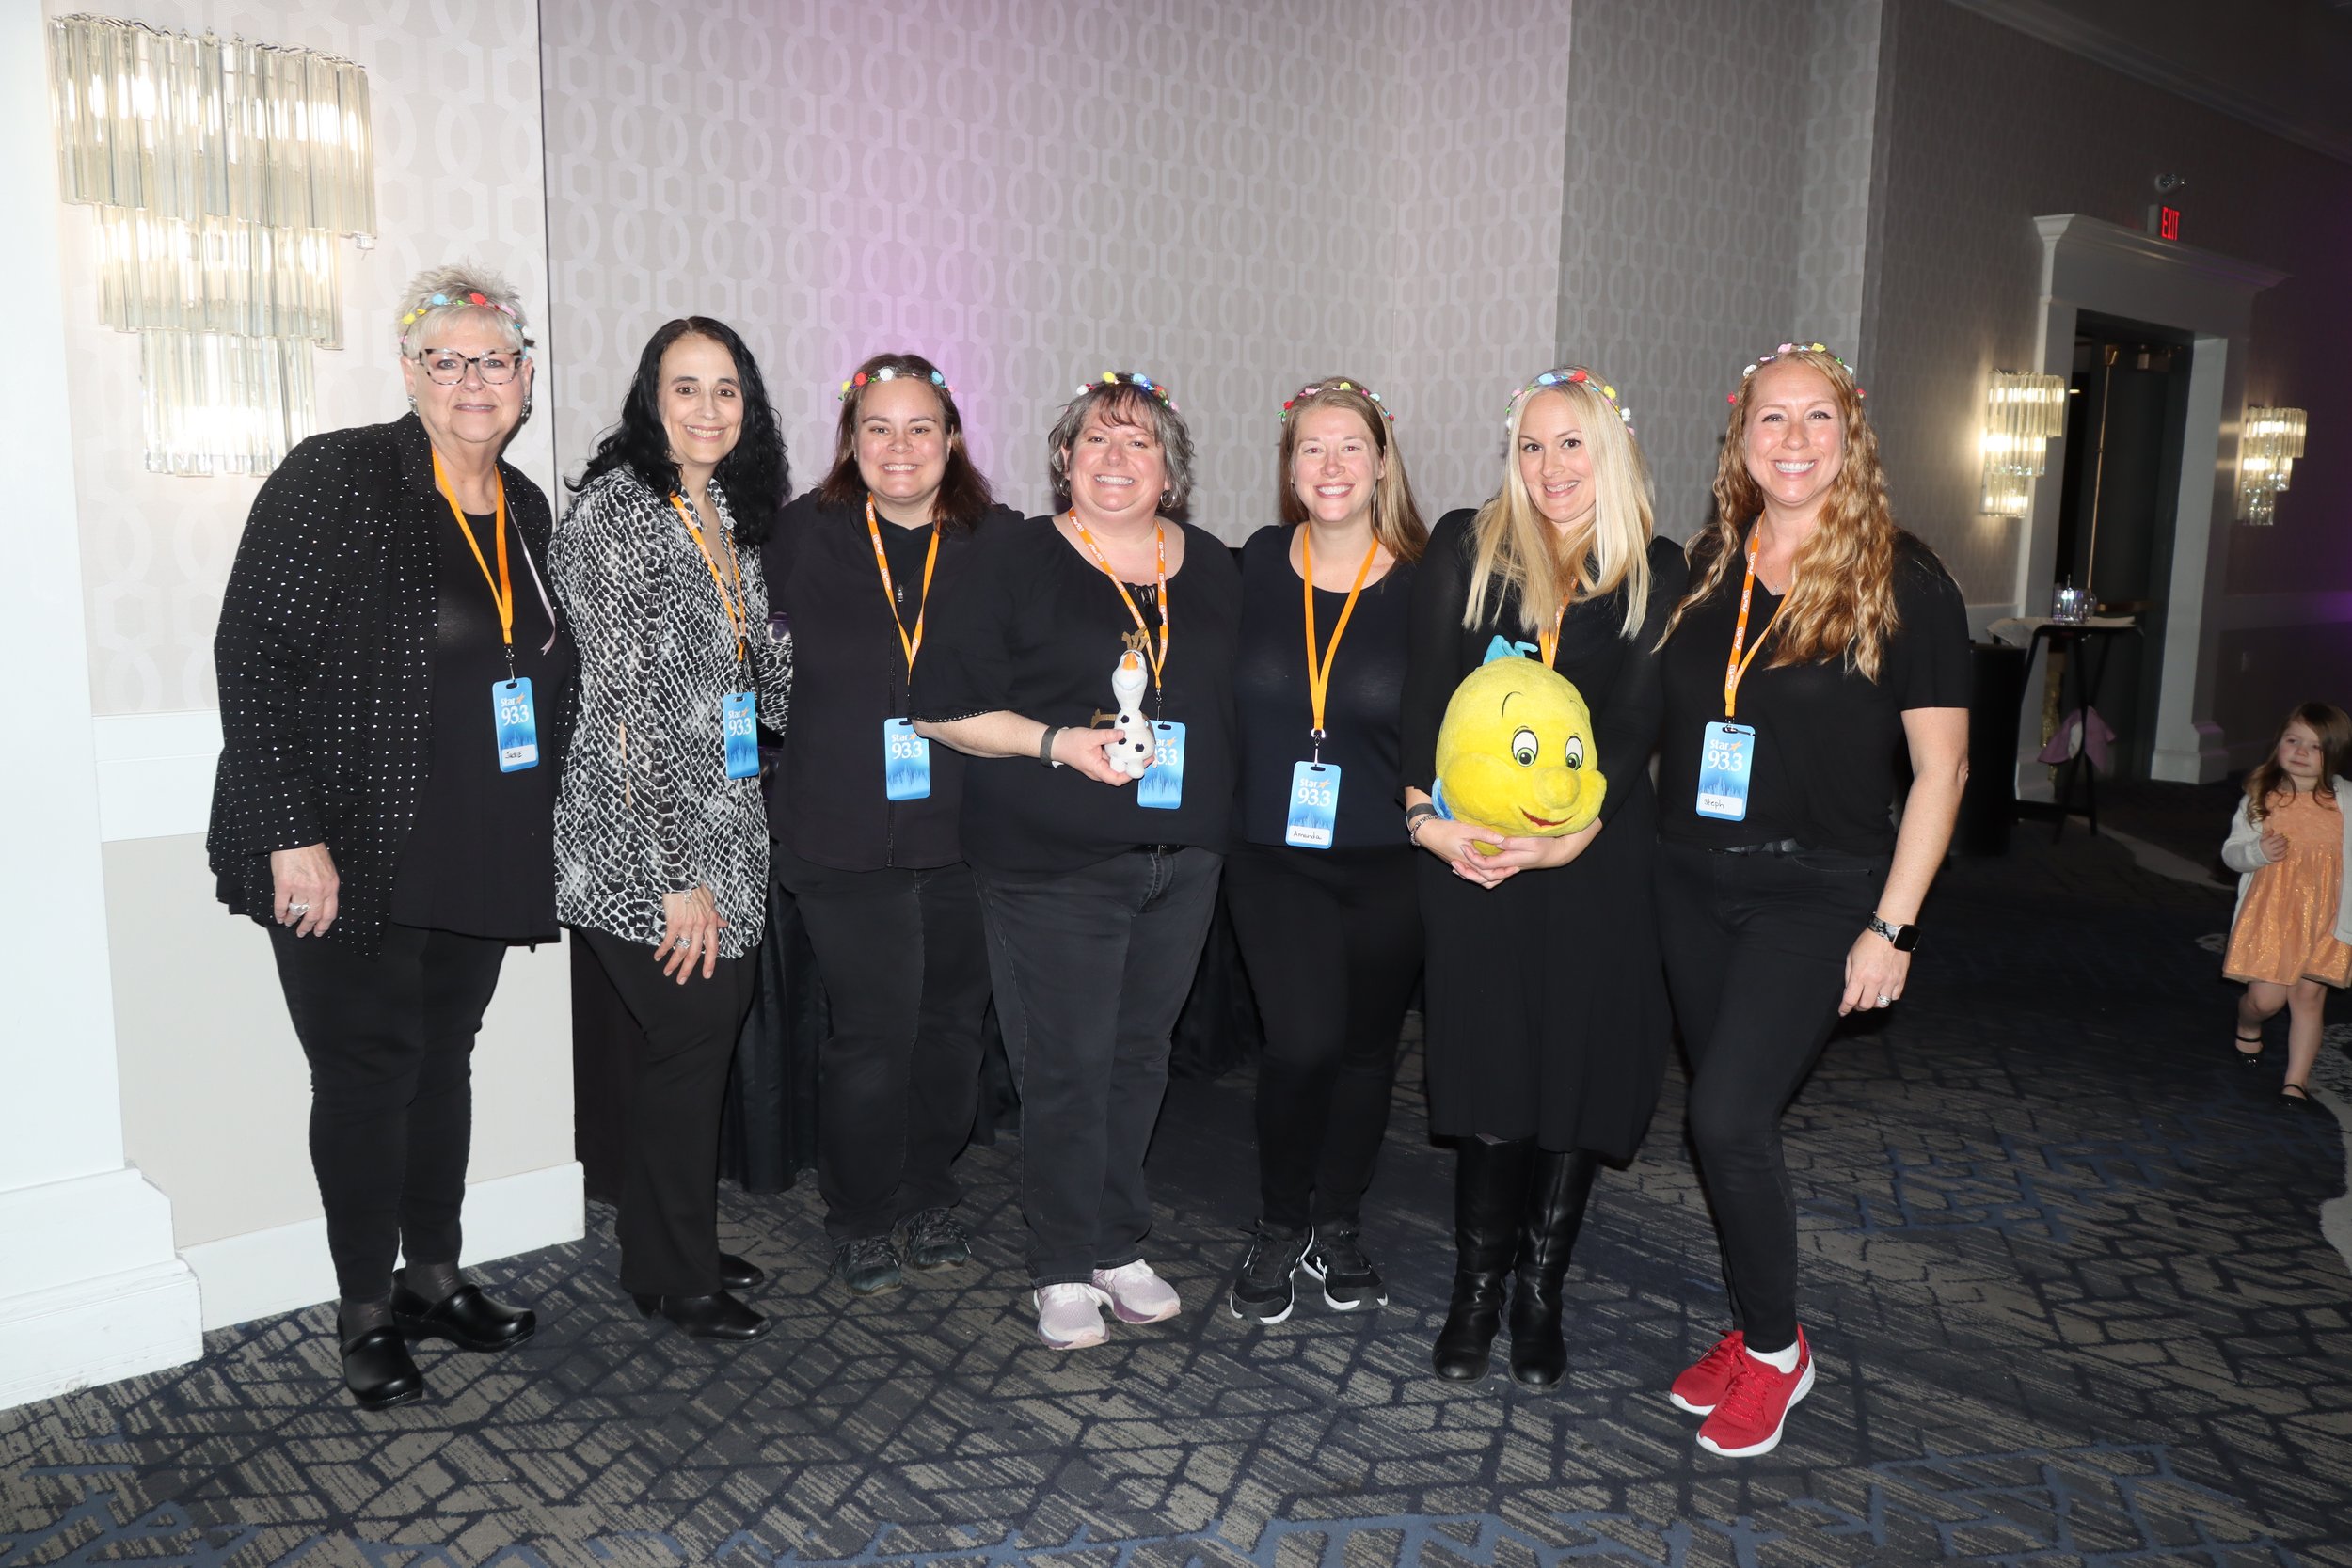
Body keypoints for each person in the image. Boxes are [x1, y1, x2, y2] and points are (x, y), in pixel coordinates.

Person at [207, 265, 575, 1409]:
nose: (475, 380)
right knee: (366, 1076)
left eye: (495, 360)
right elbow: (250, 652)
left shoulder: (524, 505)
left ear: (524, 378)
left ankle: (433, 1274)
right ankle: (364, 1307)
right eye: (447, 359)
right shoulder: (340, 476)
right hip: (348, 848)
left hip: (476, 840)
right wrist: (289, 833)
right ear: (409, 372)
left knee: (443, 1062)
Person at [1654, 342, 1968, 1457]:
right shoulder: (1703, 566)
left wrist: (1891, 923)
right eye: (1770, 420)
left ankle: (1780, 1351)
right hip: (1690, 883)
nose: (1793, 441)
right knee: (1725, 1122)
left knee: (1725, 1115)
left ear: (1852, 434)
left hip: (1817, 889)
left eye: (1816, 419)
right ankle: (1749, 1324)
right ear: (1740, 439)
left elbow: (1942, 771)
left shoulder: (1902, 575)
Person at [914, 372, 1241, 1351]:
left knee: (1140, 1056)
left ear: (1169, 470)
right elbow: (939, 706)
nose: (1114, 459)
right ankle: (1060, 1260)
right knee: (1065, 1065)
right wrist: (1058, 743)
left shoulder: (1216, 567)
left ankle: (1113, 1238)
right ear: (1064, 457)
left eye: (1138, 444)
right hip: (1049, 860)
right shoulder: (1010, 558)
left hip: (1178, 859)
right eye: (1096, 440)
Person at [1401, 367, 1683, 1392]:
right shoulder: (1463, 550)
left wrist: (1571, 839)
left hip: (1593, 864)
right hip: (1470, 859)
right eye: (1530, 445)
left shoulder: (1654, 567)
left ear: (1609, 451)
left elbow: (1635, 721)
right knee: (1488, 1067)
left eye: (1570, 444)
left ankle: (1538, 1292)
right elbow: (1421, 700)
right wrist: (1425, 823)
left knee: (1570, 1067)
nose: (1549, 466)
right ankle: (1475, 1290)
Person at [551, 318, 793, 1342]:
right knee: (692, 1035)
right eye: (685, 388)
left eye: (726, 389)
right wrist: (672, 875)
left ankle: (666, 1238)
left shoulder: (720, 508)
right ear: (651, 399)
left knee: (692, 1041)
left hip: (726, 817)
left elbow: (747, 675)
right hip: (637, 837)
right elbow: (619, 706)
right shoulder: (618, 512)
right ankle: (673, 1272)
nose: (707, 409)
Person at [762, 354, 1015, 1295]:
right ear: (850, 441)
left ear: (951, 440)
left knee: (952, 1024)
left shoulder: (999, 541)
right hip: (838, 830)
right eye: (878, 427)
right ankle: (860, 1207)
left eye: (920, 427)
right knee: (872, 1031)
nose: (898, 445)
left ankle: (926, 1186)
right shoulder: (801, 533)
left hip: (968, 830)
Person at [1225, 378, 1427, 1324]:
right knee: (1300, 1042)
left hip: (1391, 856)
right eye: (1312, 448)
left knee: (1365, 1051)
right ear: (1289, 465)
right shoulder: (1257, 563)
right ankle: (1276, 1218)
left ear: (1382, 461)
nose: (1332, 465)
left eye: (1351, 446)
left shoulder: (1430, 584)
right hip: (1273, 850)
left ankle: (1338, 1219)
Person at [2221, 701, 2352, 1109]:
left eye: (2314, 746)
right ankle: (2247, 1021)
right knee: (2266, 1000)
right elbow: (2231, 853)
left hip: (2326, 916)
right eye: (2292, 740)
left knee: (2309, 999)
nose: (2300, 751)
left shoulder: (2346, 801)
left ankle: (2296, 1081)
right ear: (2278, 742)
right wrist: (2257, 851)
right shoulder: (2262, 796)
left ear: (2334, 754)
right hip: (2272, 914)